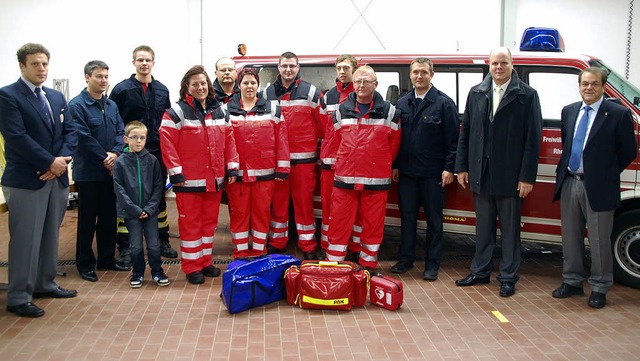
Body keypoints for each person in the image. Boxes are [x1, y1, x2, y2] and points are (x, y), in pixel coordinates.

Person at [454, 47, 542, 297]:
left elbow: (532, 139)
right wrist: (462, 167)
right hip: (481, 171)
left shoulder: (526, 95)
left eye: (504, 63)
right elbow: (466, 132)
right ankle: (480, 271)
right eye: (494, 63)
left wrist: (527, 176)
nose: (499, 67)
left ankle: (508, 277)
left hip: (511, 175)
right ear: (489, 65)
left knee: (510, 230)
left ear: (512, 65)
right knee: (483, 227)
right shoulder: (477, 92)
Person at [0, 43, 78, 318]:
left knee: (49, 236)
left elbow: (71, 131)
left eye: (44, 63)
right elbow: (17, 137)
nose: (41, 69)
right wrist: (50, 162)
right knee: (25, 240)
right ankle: (19, 296)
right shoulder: (8, 96)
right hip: (26, 180)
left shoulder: (56, 97)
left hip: (54, 178)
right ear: (22, 65)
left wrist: (61, 162)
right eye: (35, 64)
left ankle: (45, 283)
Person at [551, 67, 637, 308]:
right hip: (570, 182)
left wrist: (606, 173)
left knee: (599, 240)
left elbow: (628, 150)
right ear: (579, 86)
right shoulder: (569, 112)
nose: (589, 88)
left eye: (594, 84)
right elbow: (568, 143)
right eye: (585, 83)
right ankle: (572, 282)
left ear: (603, 87)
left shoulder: (618, 114)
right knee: (570, 237)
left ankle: (599, 287)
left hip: (599, 186)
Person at [160, 65, 239, 285]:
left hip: (214, 180)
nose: (200, 87)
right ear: (187, 86)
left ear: (209, 85)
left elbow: (229, 141)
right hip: (188, 181)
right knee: (191, 225)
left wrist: (231, 168)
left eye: (203, 83)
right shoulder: (175, 112)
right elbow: (167, 145)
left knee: (208, 224)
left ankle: (205, 261)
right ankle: (191, 266)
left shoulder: (220, 111)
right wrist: (176, 174)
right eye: (195, 84)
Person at [325, 65, 401, 271]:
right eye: (357, 81)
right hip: (345, 179)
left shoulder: (390, 112)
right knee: (339, 223)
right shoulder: (340, 110)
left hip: (376, 180)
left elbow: (393, 145)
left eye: (366, 81)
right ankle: (334, 263)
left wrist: (377, 164)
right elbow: (335, 142)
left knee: (373, 225)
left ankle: (368, 264)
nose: (361, 85)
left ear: (376, 84)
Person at [391, 57, 459, 281]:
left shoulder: (444, 103)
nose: (419, 76)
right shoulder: (402, 103)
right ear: (410, 75)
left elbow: (453, 141)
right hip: (408, 174)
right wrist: (396, 165)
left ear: (432, 74)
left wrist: (449, 168)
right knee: (407, 218)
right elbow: (396, 139)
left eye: (423, 72)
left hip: (433, 174)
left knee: (434, 221)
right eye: (415, 72)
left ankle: (432, 264)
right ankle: (405, 259)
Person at [109, 45, 178, 264]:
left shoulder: (162, 90)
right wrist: (119, 150)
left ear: (153, 63)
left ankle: (162, 240)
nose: (144, 63)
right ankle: (126, 245)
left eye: (148, 60)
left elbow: (166, 122)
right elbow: (115, 122)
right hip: (129, 152)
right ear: (134, 63)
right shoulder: (121, 90)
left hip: (156, 152)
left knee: (158, 197)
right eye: (140, 60)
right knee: (127, 197)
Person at [68, 60, 128, 283]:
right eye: (98, 76)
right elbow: (83, 138)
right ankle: (85, 263)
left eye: (105, 76)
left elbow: (121, 130)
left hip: (111, 172)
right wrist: (106, 158)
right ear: (87, 77)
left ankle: (106, 258)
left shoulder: (111, 105)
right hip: (89, 173)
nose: (103, 81)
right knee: (87, 220)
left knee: (109, 217)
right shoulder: (77, 106)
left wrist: (115, 152)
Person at [264, 51, 324, 260]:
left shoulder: (311, 92)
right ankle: (277, 242)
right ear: (278, 68)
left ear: (298, 68)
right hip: (277, 162)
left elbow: (323, 124)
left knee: (304, 204)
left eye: (292, 66)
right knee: (278, 205)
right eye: (284, 66)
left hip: (303, 161)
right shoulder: (266, 93)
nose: (288, 69)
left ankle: (308, 245)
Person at [226, 68, 290, 259]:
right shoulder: (226, 110)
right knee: (239, 214)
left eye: (253, 83)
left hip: (265, 174)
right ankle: (241, 252)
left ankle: (260, 250)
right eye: (245, 83)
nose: (249, 86)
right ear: (239, 85)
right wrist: (228, 168)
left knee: (262, 213)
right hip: (237, 175)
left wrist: (283, 168)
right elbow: (224, 142)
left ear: (258, 85)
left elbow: (282, 140)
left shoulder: (273, 110)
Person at [113, 121, 170, 288]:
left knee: (153, 244)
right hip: (131, 213)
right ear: (125, 139)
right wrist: (135, 210)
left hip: (150, 212)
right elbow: (119, 188)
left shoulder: (152, 160)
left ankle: (157, 271)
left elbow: (158, 185)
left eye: (142, 138)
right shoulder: (120, 163)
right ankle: (137, 273)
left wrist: (150, 208)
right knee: (135, 246)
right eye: (134, 137)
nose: (138, 141)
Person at [319, 54, 363, 262]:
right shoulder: (328, 97)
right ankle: (328, 245)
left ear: (354, 70)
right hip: (330, 161)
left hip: (353, 162)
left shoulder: (362, 95)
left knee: (356, 208)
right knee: (329, 207)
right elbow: (322, 126)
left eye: (346, 68)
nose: (342, 72)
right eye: (339, 68)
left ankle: (354, 245)